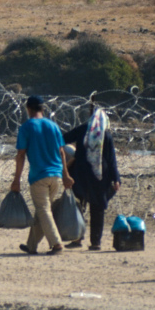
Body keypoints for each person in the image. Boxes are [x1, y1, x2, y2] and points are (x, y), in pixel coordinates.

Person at [11, 96, 74, 255]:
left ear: (28, 109)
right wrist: (65, 175)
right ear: (43, 109)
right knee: (42, 211)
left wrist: (16, 180)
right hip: (56, 176)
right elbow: (62, 151)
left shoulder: (27, 127)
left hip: (39, 176)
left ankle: (57, 244)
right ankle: (31, 245)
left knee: (44, 210)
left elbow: (20, 155)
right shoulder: (53, 126)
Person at [62, 107, 120, 250]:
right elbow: (111, 159)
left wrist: (68, 152)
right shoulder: (106, 135)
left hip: (80, 174)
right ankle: (95, 243)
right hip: (100, 176)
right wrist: (116, 178)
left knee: (78, 208)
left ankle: (77, 239)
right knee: (97, 209)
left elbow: (63, 138)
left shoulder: (83, 130)